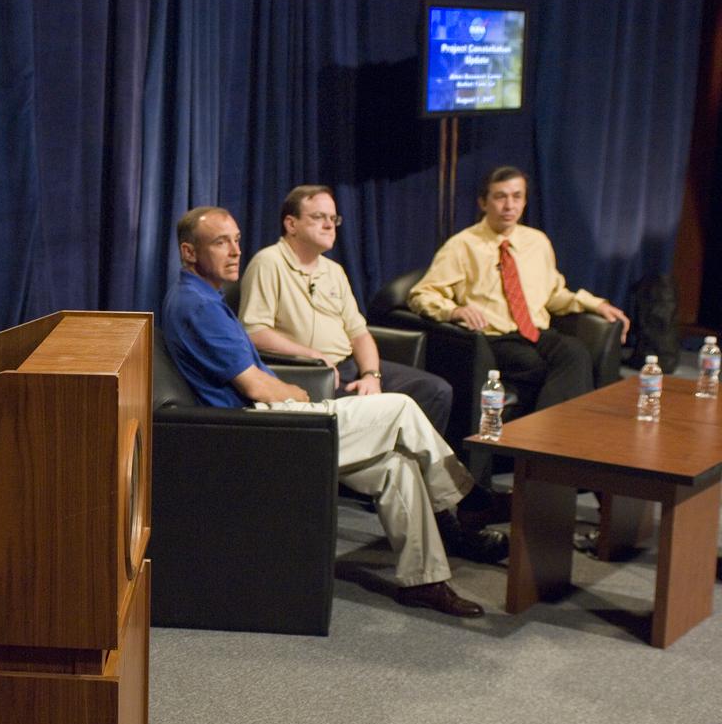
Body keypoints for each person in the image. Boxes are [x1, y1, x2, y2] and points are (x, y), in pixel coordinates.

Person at [162, 206, 506, 619]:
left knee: (396, 467)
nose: (235, 250)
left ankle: (424, 581)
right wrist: (298, 395)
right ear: (188, 252)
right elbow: (254, 385)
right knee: (400, 407)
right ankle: (469, 498)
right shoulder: (197, 305)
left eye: (236, 239)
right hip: (259, 432)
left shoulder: (203, 297)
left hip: (269, 419)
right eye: (221, 242)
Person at [407, 166, 630, 412]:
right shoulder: (462, 245)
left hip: (536, 332)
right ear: (483, 202)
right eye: (500, 197)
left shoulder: (537, 242)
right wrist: (454, 311)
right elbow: (422, 294)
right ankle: (552, 443)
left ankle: (547, 441)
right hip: (494, 339)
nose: (509, 206)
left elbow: (554, 295)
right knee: (544, 368)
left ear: (524, 201)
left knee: (576, 352)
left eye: (517, 196)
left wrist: (595, 304)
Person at [239, 184, 453, 431]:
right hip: (310, 372)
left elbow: (359, 333)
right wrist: (314, 356)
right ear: (291, 224)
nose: (329, 225)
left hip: (348, 366)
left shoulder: (333, 271)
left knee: (435, 391)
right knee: (378, 410)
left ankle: (410, 467)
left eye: (333, 218)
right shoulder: (269, 262)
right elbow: (255, 332)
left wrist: (371, 376)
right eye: (318, 217)